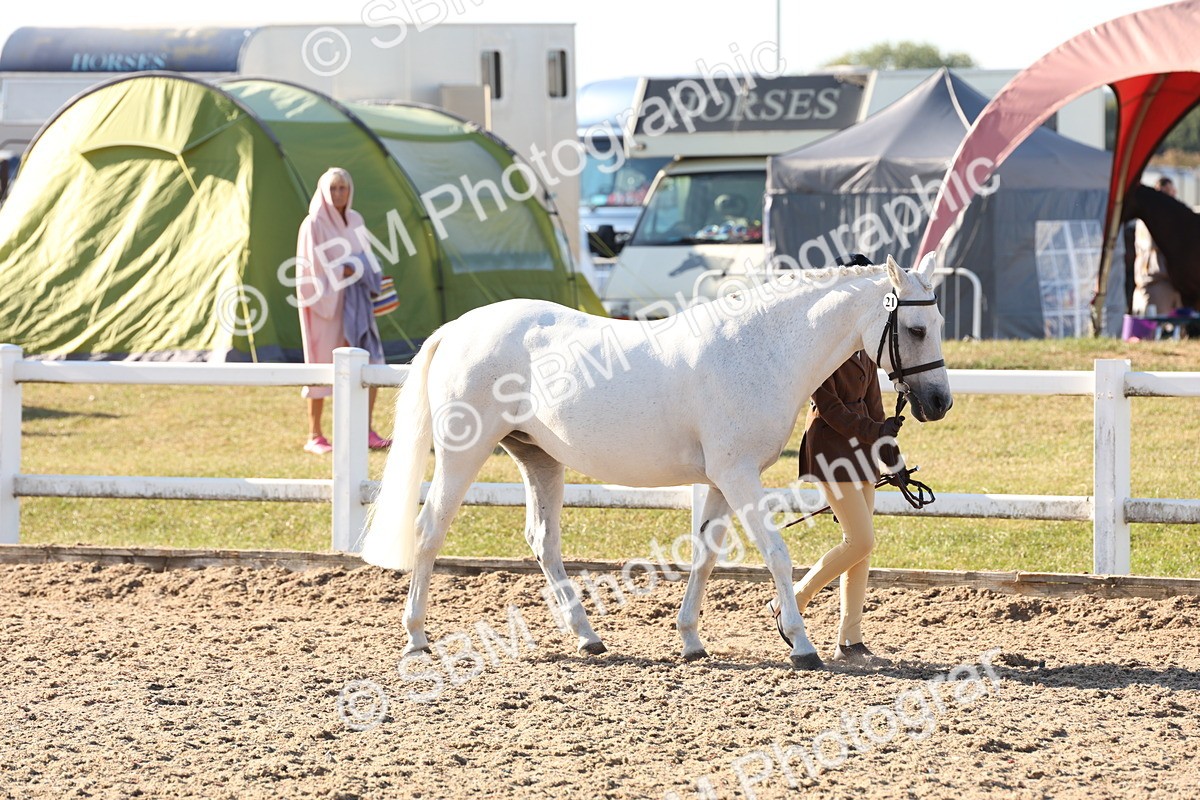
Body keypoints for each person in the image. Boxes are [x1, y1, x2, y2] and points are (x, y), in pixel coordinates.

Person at [769, 349, 904, 664]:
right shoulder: (825, 351)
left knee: (861, 549)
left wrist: (891, 456)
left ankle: (849, 642)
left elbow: (873, 407)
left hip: (862, 453)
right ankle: (792, 601)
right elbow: (829, 408)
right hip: (830, 451)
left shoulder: (866, 354)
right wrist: (874, 432)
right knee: (861, 540)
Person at [296, 167, 392, 455]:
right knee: (321, 365)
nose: (339, 194)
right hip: (325, 305)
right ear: (324, 190)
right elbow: (310, 265)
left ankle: (366, 430)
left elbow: (367, 257)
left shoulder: (356, 220)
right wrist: (346, 268)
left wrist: (362, 270)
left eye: (343, 188)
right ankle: (315, 434)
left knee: (370, 361)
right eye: (334, 188)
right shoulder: (313, 224)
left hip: (356, 303)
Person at [1132, 176, 1183, 317]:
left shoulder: (1177, 216)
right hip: (1155, 282)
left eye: (1172, 192)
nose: (1170, 196)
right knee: (1153, 329)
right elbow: (1156, 242)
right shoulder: (1147, 218)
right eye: (1165, 193)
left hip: (1176, 283)